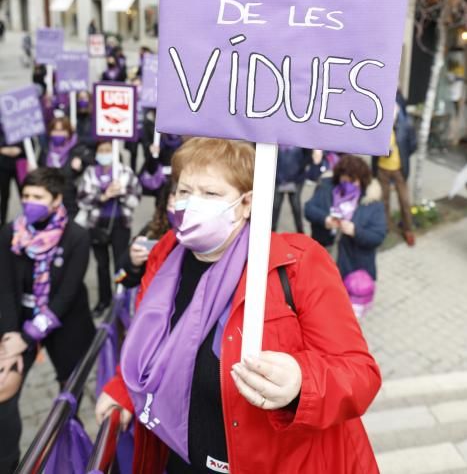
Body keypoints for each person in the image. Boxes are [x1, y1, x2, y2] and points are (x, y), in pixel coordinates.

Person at [96, 137, 381, 474]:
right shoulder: (167, 253)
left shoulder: (298, 263)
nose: (191, 204)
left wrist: (301, 384)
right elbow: (149, 341)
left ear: (247, 203)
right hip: (177, 456)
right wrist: (122, 390)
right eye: (185, 191)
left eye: (211, 194)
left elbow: (359, 375)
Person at [0, 168, 95, 473]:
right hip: (18, 323)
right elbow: (4, 287)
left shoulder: (77, 236)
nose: (29, 202)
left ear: (56, 200)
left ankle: (67, 450)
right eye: (26, 196)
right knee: (3, 390)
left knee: (70, 391)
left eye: (38, 197)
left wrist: (30, 336)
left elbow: (66, 296)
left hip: (66, 324)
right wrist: (11, 335)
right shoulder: (10, 234)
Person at [77, 140, 142, 317]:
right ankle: (103, 300)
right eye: (101, 150)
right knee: (101, 265)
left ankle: (119, 299)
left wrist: (122, 193)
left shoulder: (125, 173)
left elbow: (135, 200)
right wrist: (103, 196)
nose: (105, 153)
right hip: (97, 225)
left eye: (108, 150)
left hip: (120, 225)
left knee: (120, 264)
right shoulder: (90, 173)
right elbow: (82, 199)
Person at [304, 154, 387, 285]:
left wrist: (355, 231)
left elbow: (378, 236)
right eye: (345, 180)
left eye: (353, 181)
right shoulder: (326, 187)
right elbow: (309, 209)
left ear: (362, 180)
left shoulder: (372, 202)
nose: (348, 185)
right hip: (323, 256)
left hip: (353, 266)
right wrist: (325, 219)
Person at [373, 102, 417, 246]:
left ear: (398, 112)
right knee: (383, 200)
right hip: (382, 169)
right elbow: (371, 145)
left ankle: (408, 229)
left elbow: (413, 145)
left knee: (404, 200)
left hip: (399, 169)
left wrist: (402, 154)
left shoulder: (406, 125)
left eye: (393, 112)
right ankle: (386, 227)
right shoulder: (378, 125)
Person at [39, 116, 94, 218]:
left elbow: (91, 170)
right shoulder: (46, 150)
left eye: (62, 130)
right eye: (55, 130)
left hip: (71, 203)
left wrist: (80, 168)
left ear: (69, 132)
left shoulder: (78, 150)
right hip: (49, 201)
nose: (58, 134)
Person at [272, 145, 309, 233]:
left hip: (296, 179)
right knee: (275, 206)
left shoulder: (301, 139)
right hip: (278, 179)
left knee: (296, 206)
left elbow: (308, 156)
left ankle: (300, 232)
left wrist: (299, 171)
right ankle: (271, 232)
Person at [0, 126, 24, 226]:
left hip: (21, 164)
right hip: (3, 165)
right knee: (4, 195)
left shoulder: (20, 124)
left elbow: (28, 144)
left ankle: (29, 220)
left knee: (24, 193)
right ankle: (2, 222)